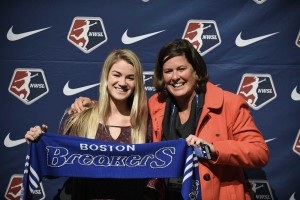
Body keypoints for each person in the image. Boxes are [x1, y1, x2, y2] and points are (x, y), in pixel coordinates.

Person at [69, 39, 270, 200]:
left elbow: (259, 153)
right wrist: (92, 105)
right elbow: (122, 107)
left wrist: (212, 148)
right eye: (168, 71)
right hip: (169, 194)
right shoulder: (157, 104)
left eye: (181, 69)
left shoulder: (229, 103)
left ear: (196, 71)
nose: (175, 77)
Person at [25, 49, 162, 200]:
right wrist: (41, 143)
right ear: (106, 76)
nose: (122, 83)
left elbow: (152, 177)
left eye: (130, 77)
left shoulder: (143, 123)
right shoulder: (80, 117)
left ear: (137, 82)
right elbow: (54, 169)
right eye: (116, 75)